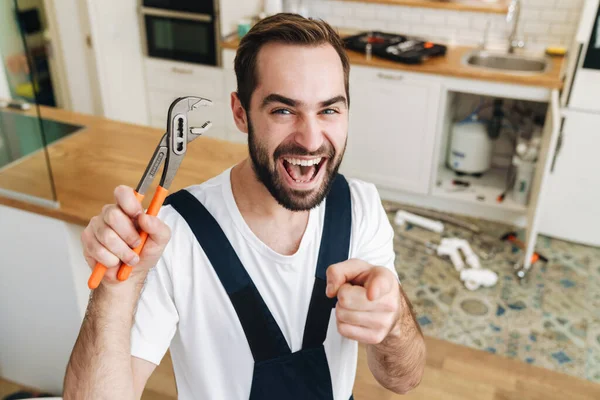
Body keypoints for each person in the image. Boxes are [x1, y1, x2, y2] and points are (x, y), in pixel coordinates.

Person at [63, 13, 426, 400]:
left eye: (329, 110)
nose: (310, 139)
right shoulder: (171, 234)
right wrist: (115, 290)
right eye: (283, 111)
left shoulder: (360, 208)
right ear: (240, 112)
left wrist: (393, 320)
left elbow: (402, 379)